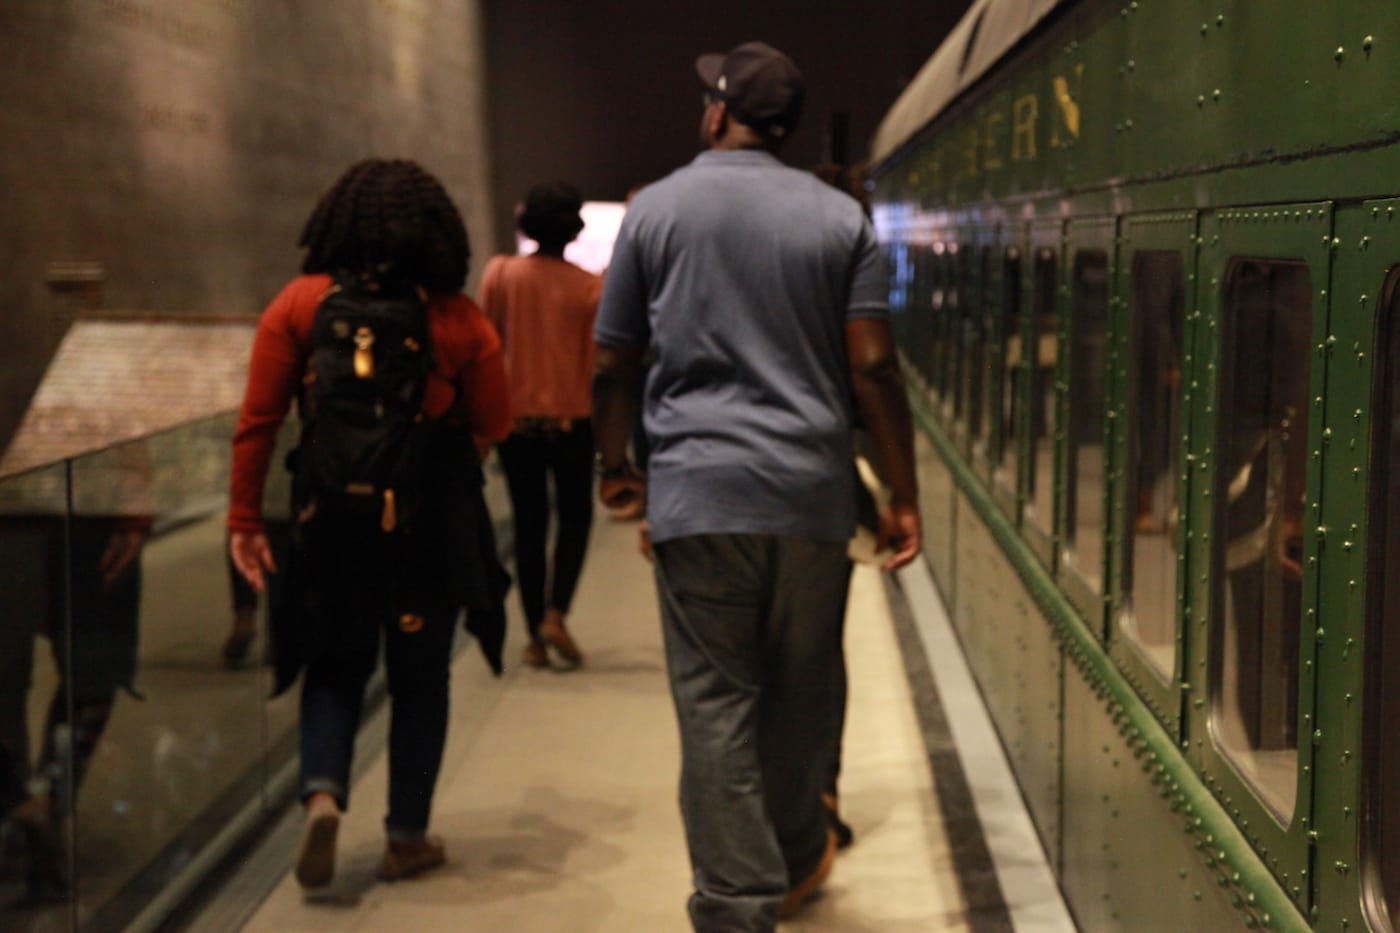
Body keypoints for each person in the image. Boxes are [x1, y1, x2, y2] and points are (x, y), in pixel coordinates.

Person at [591, 41, 921, 932]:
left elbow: (615, 358)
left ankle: (738, 905)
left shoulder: (654, 212)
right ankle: (789, 851)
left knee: (716, 704)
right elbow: (876, 368)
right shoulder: (839, 220)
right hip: (811, 498)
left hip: (697, 495)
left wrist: (616, 466)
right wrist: (902, 492)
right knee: (799, 691)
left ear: (717, 115)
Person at [227, 159, 512, 888]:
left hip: (330, 524)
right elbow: (496, 419)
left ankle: (323, 793)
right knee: (420, 679)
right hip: (425, 526)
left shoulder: (298, 304)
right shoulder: (456, 317)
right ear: (437, 231)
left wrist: (244, 519)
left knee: (334, 662)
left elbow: (257, 421)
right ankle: (406, 835)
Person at [481, 182, 603, 669]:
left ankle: (533, 637)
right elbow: (597, 366)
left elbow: (487, 350)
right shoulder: (591, 287)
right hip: (573, 423)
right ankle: (556, 614)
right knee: (575, 520)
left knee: (529, 527)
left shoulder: (501, 274)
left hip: (516, 426)